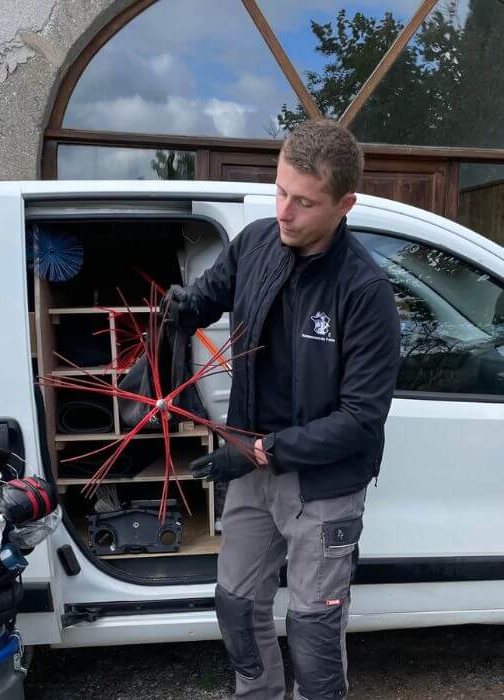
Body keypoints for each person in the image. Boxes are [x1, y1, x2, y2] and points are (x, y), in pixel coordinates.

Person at [164, 119, 401, 700]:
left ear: (344, 204)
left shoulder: (365, 292)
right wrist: (179, 310)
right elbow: (212, 293)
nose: (285, 212)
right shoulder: (256, 244)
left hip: (322, 484)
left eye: (303, 201)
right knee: (237, 606)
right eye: (279, 191)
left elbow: (361, 419)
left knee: (314, 633)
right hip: (254, 468)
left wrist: (265, 448)